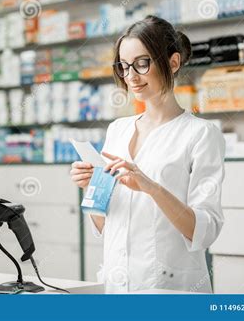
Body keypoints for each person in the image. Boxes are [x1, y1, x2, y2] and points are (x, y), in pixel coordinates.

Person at [70, 15, 225, 293]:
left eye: (142, 63)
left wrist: (151, 187)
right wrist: (91, 187)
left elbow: (204, 230)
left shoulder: (201, 134)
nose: (131, 76)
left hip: (169, 287)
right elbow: (105, 225)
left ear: (173, 62)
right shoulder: (117, 130)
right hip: (118, 284)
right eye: (124, 66)